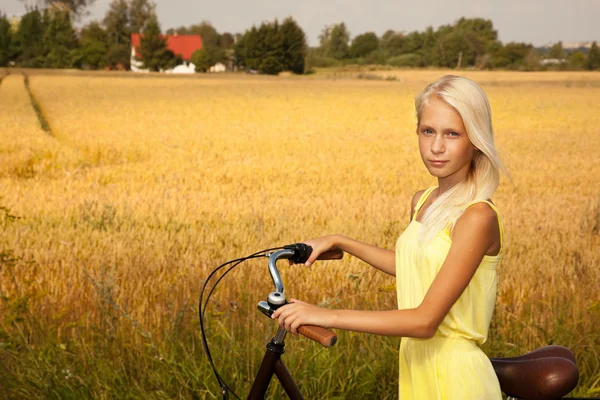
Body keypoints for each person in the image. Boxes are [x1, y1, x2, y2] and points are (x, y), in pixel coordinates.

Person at [272, 75, 508, 399]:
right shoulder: (423, 201)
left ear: (476, 139)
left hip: (456, 379)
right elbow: (416, 266)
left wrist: (325, 315)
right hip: (416, 366)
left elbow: (425, 322)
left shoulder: (477, 216)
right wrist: (342, 242)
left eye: (452, 133)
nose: (436, 146)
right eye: (428, 131)